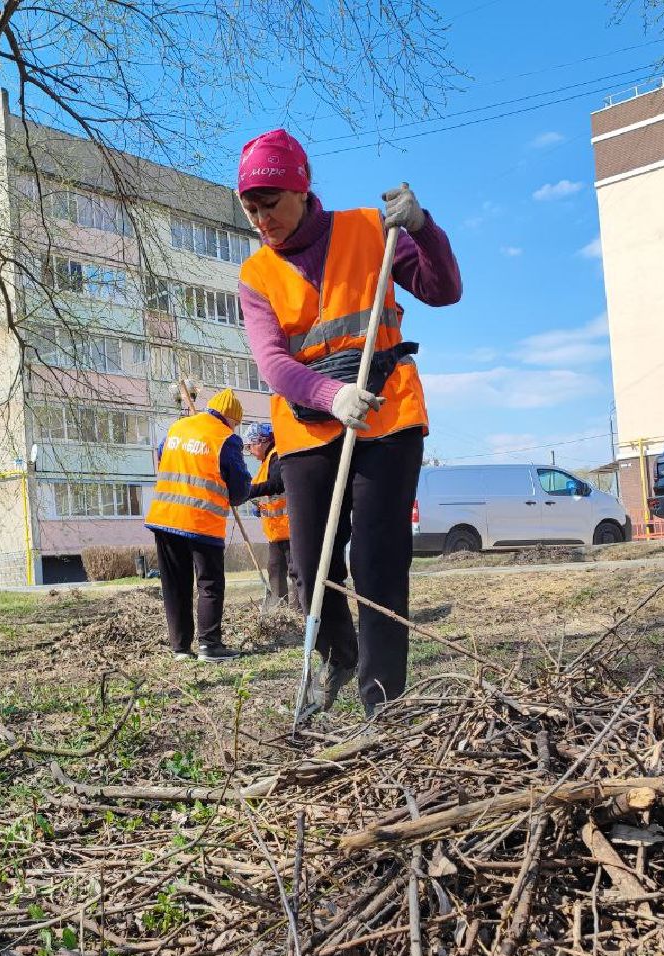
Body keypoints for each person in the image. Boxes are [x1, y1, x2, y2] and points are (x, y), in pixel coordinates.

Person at [236, 129, 462, 717]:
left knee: (377, 564)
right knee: (312, 568)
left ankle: (381, 702)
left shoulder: (372, 231)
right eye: (250, 207)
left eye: (272, 203)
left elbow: (445, 290)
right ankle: (338, 653)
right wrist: (330, 395)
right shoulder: (256, 276)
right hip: (310, 425)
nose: (262, 219)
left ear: (303, 189)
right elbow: (273, 364)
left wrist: (422, 228)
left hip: (387, 417)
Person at [145, 389, 251, 662]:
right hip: (202, 521)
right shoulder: (226, 439)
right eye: (236, 423)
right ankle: (209, 645)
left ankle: (180, 647)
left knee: (175, 584)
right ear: (231, 419)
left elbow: (160, 456)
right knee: (209, 584)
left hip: (166, 517)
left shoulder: (177, 427)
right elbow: (239, 490)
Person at [243, 423, 298, 612]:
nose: (249, 451)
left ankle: (298, 611)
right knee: (275, 569)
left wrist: (248, 492)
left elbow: (276, 484)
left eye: (250, 446)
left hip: (290, 529)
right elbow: (268, 494)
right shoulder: (265, 463)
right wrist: (259, 506)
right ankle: (279, 610)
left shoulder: (277, 456)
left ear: (261, 441)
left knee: (294, 572)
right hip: (277, 531)